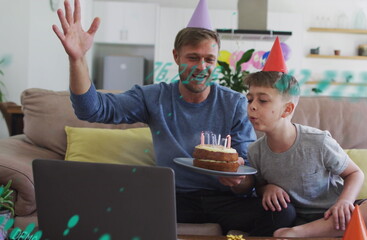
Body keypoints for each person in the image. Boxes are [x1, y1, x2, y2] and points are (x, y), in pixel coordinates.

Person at [52, 0, 295, 236]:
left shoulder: (235, 103)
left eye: (209, 59)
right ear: (176, 56)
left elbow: (246, 181)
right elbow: (92, 109)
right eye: (192, 57)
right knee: (110, 207)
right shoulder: (153, 97)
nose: (201, 66)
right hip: (171, 197)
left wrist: (236, 180)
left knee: (282, 214)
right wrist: (77, 59)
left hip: (224, 200)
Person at [235, 38, 367, 238]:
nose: (252, 106)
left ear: (287, 109)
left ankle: (304, 233)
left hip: (336, 215)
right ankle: (317, 233)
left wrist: (344, 202)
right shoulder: (256, 150)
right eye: (250, 99)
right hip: (296, 216)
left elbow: (355, 174)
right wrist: (266, 188)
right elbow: (257, 186)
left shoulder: (317, 141)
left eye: (263, 100)